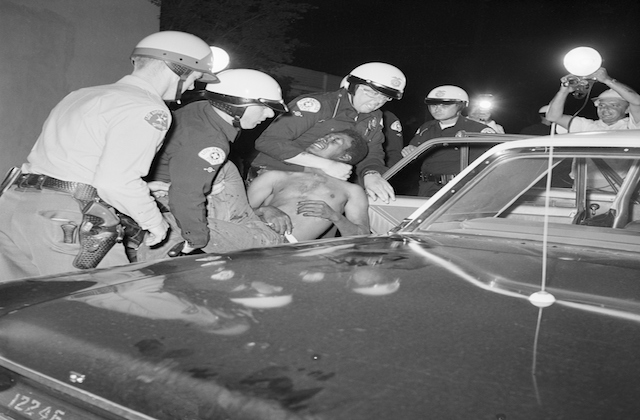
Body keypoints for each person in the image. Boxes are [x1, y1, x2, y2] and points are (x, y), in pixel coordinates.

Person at [0, 30, 219, 281]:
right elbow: (115, 182)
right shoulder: (147, 108)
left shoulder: (83, 94)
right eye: (195, 76)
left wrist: (142, 188)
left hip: (14, 207)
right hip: (67, 219)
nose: (193, 85)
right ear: (178, 68)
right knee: (105, 304)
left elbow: (74, 162)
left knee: (24, 306)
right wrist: (155, 223)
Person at [137, 69, 289, 261]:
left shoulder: (201, 109)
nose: (269, 114)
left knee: (227, 168)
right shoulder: (210, 141)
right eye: (264, 106)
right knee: (271, 240)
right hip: (169, 199)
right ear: (236, 104)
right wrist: (196, 238)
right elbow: (186, 196)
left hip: (165, 180)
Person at [250, 62, 407, 204]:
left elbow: (372, 154)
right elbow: (268, 142)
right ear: (351, 86)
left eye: (385, 97)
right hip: (272, 177)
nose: (377, 101)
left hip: (321, 185)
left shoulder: (374, 117)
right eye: (370, 92)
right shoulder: (318, 105)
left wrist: (371, 174)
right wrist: (326, 165)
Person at [247, 129, 370, 242]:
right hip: (247, 232)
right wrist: (265, 210)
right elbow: (233, 212)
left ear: (344, 157)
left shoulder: (351, 191)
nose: (323, 139)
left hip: (281, 250)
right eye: (326, 136)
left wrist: (334, 217)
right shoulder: (276, 177)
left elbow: (362, 237)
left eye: (335, 141)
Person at [401, 85, 495, 197]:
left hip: (461, 188)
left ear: (460, 106)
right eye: (433, 104)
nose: (437, 109)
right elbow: (413, 156)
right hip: (427, 188)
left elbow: (495, 160)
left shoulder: (477, 130)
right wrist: (409, 151)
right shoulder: (426, 128)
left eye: (445, 105)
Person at [546, 67, 640, 132]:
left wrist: (607, 80)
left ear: (627, 109)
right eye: (601, 105)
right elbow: (553, 117)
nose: (605, 109)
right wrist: (564, 91)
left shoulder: (633, 126)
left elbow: (636, 101)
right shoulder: (587, 126)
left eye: (613, 105)